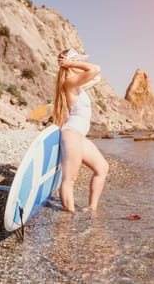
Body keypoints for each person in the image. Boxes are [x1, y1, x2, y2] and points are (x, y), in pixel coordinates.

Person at [52, 48, 109, 213]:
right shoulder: (68, 82)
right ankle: (68, 215)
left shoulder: (76, 85)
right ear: (70, 64)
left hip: (79, 135)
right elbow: (95, 69)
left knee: (102, 168)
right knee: (70, 179)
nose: (79, 63)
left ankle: (91, 208)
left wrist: (74, 66)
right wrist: (68, 64)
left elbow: (95, 77)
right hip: (72, 133)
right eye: (76, 61)